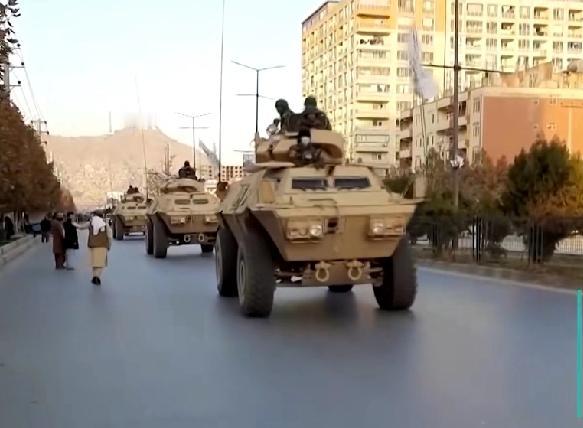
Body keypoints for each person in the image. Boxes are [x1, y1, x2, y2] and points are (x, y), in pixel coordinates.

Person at [73, 211, 112, 286]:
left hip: (93, 246)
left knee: (95, 263)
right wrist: (109, 246)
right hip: (103, 246)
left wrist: (74, 223)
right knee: (101, 264)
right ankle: (97, 277)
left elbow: (81, 227)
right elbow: (109, 236)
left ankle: (95, 277)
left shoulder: (90, 223)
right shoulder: (105, 224)